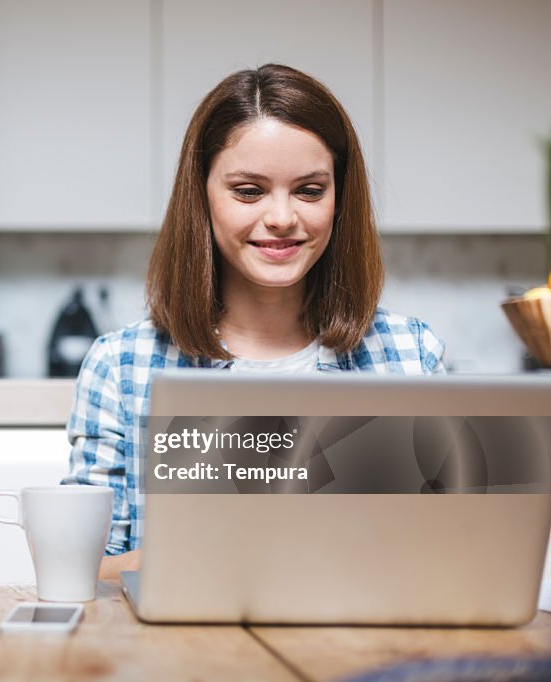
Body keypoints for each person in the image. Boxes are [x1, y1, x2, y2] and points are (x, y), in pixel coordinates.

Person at [61, 64, 446, 581]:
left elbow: (458, 551)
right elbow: (78, 568)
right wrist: (228, 553)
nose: (283, 217)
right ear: (202, 197)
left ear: (340, 199)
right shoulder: (122, 367)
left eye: (310, 190)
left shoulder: (410, 355)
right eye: (248, 191)